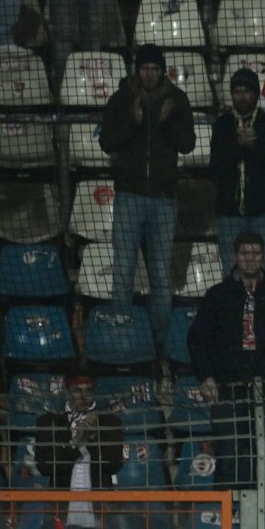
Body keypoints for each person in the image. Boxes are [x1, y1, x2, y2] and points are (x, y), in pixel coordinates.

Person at [187, 232, 265, 486]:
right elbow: (197, 339)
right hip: (227, 390)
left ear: (263, 256)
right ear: (235, 256)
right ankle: (228, 519)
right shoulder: (218, 296)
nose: (250, 259)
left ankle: (264, 521)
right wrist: (206, 377)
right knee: (228, 460)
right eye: (245, 253)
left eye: (255, 253)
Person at [100, 45, 196, 355]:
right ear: (136, 70)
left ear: (163, 70)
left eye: (155, 68)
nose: (150, 74)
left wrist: (167, 121)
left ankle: (160, 347)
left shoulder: (177, 100)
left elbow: (187, 144)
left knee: (160, 276)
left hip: (164, 200)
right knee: (122, 273)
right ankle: (121, 342)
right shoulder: (121, 99)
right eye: (145, 68)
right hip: (128, 196)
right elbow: (106, 141)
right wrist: (133, 120)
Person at [35, 373, 123, 529]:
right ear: (67, 391)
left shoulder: (109, 422)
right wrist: (76, 442)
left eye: (88, 390)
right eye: (77, 390)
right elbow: (44, 466)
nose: (83, 396)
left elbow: (114, 464)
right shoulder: (49, 422)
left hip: (98, 522)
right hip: (62, 521)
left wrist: (93, 437)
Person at [209, 68, 265, 277]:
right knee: (231, 272)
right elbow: (215, 165)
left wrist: (255, 145)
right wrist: (237, 145)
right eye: (237, 91)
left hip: (264, 211)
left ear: (256, 93)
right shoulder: (223, 125)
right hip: (230, 212)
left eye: (247, 91)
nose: (242, 96)